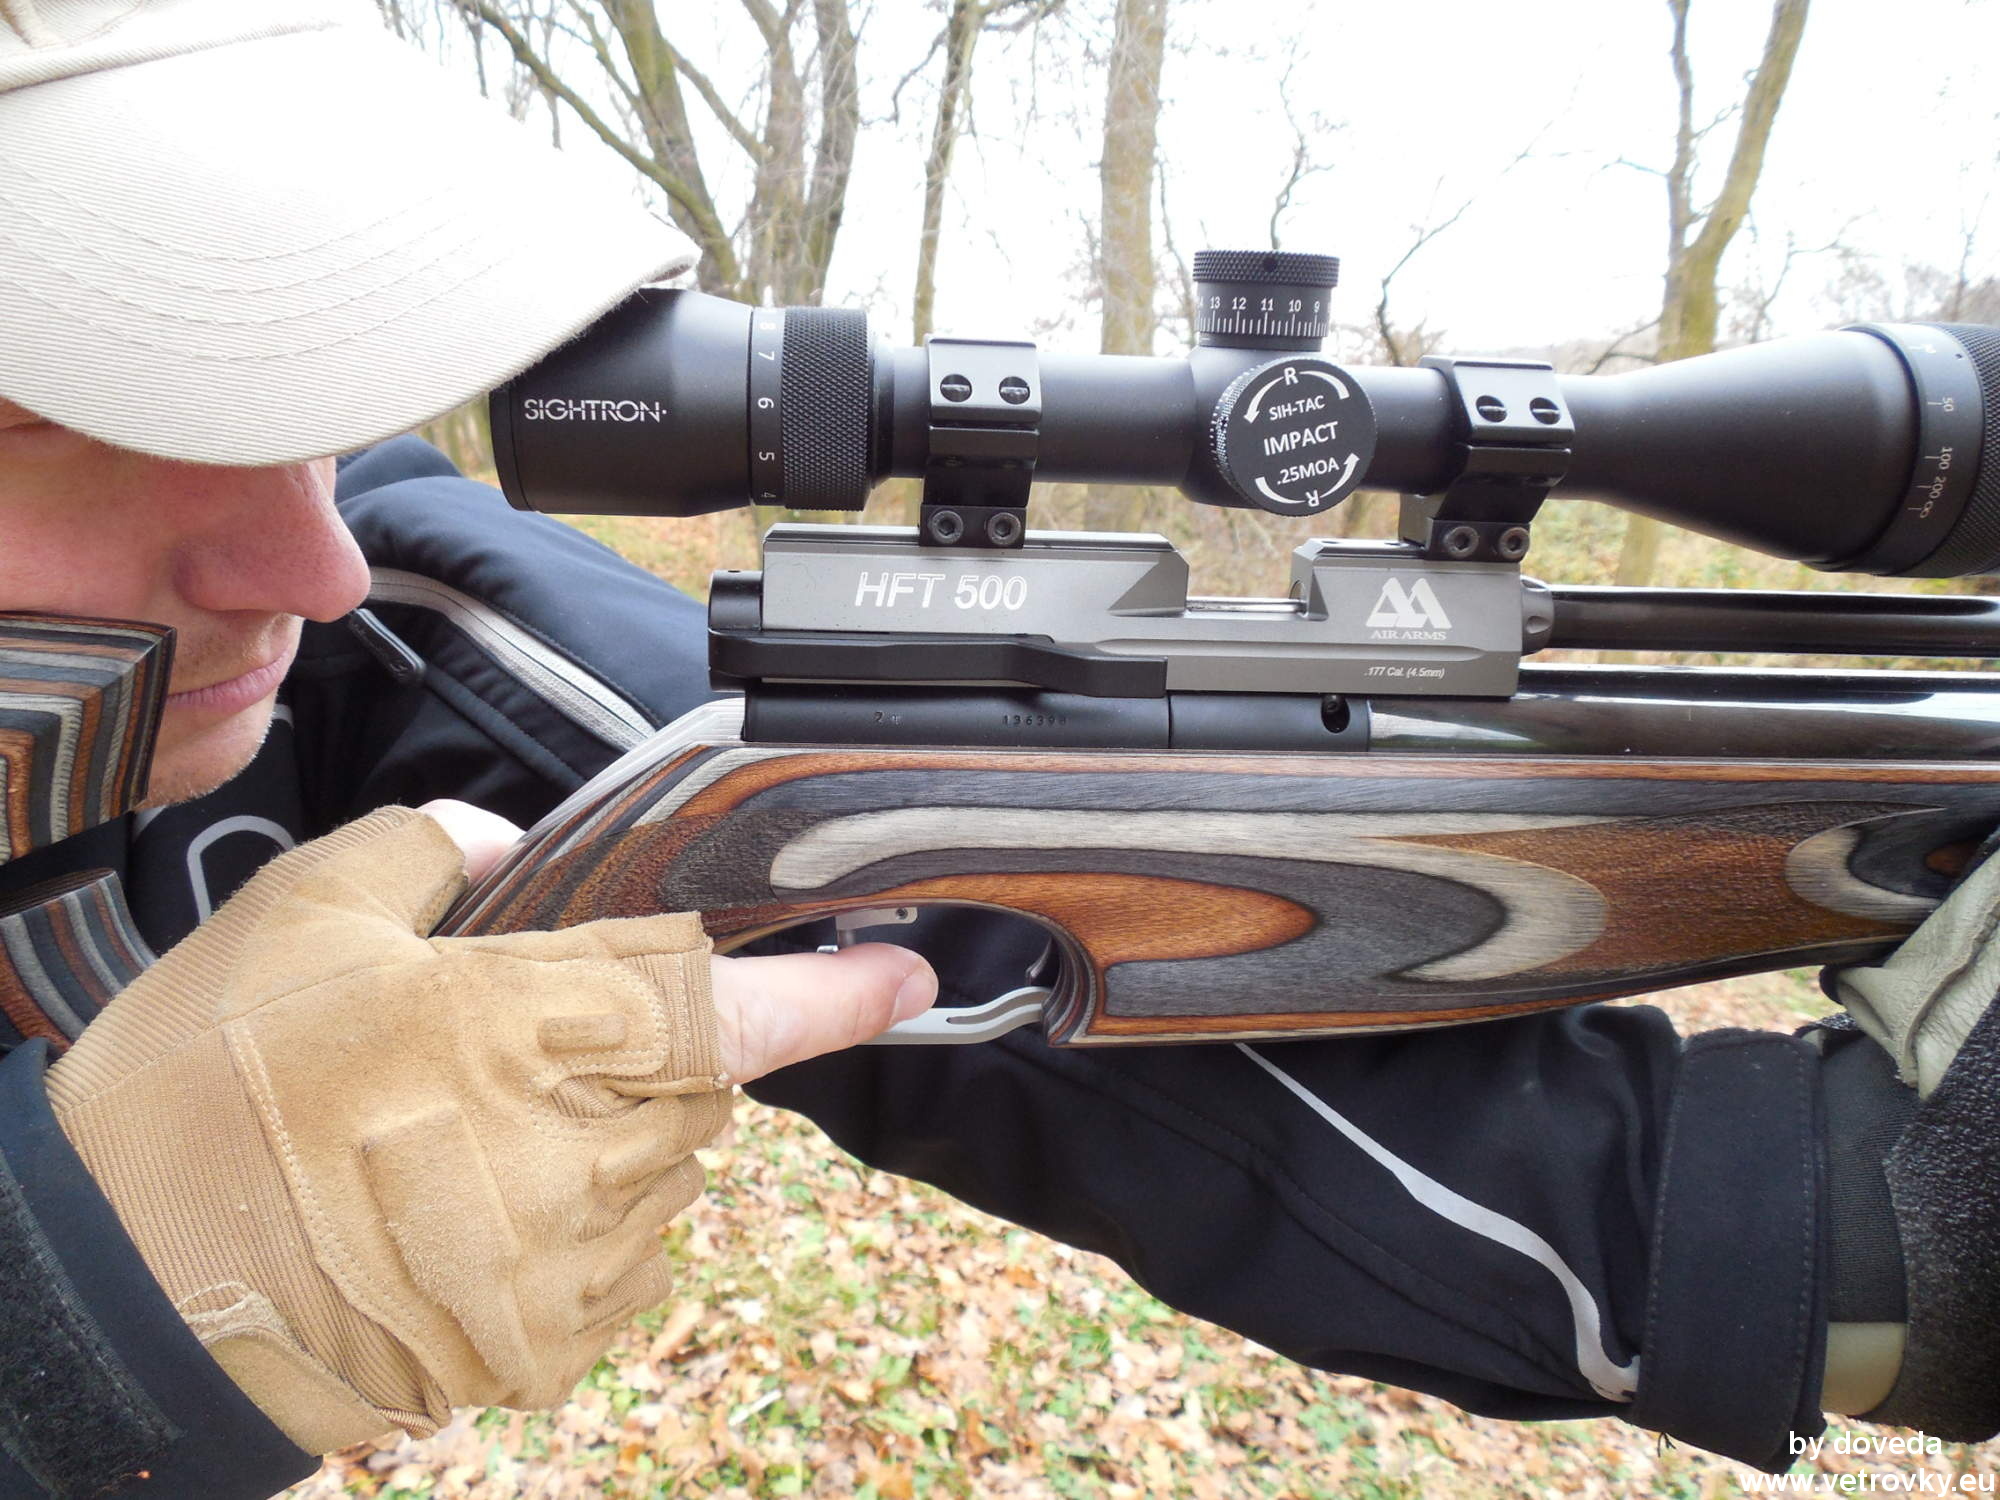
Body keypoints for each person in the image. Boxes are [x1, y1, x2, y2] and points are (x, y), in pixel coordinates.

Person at [0, 2, 1994, 1497]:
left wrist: (1825, 1225)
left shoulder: (405, 652)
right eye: (50, 419)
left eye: (290, 402)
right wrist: (76, 1328)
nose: (314, 562)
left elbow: (973, 894)